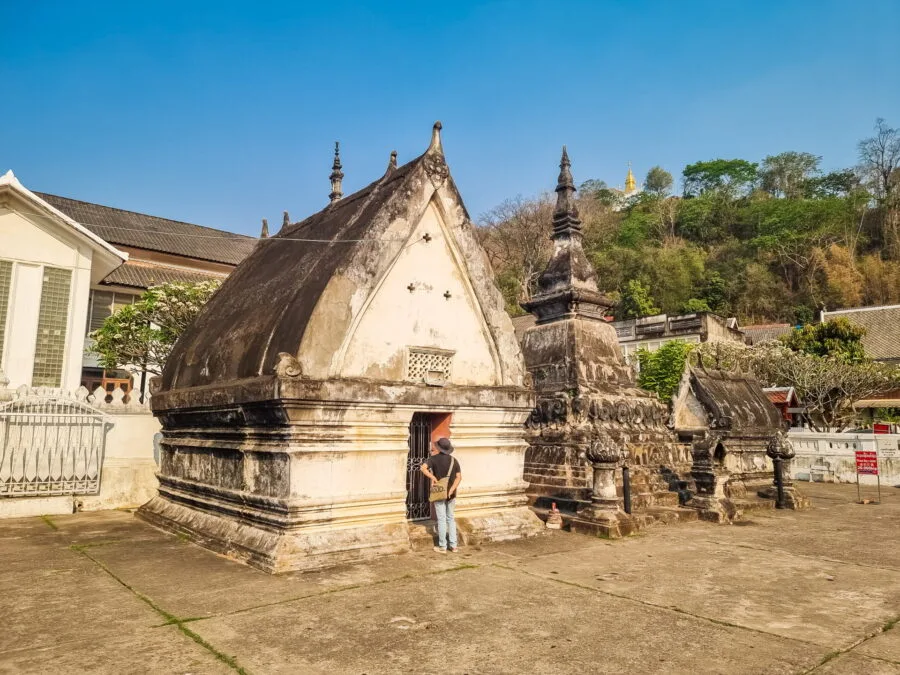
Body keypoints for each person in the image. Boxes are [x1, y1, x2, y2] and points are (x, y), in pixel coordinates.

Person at [420, 437, 462, 553]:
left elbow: (423, 468)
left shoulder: (433, 459)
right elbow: (459, 478)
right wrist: (451, 490)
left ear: (439, 448)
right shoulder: (454, 460)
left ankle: (442, 546)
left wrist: (433, 477)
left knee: (442, 519)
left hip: (439, 492)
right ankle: (453, 546)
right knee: (450, 518)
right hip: (451, 495)